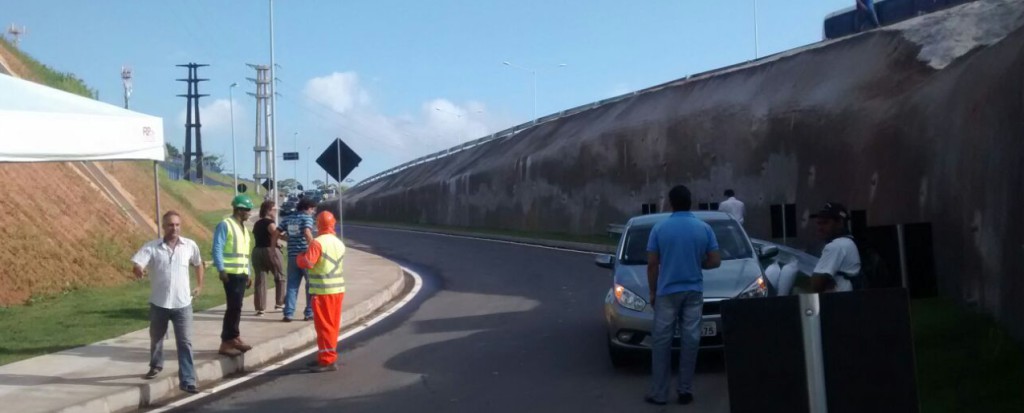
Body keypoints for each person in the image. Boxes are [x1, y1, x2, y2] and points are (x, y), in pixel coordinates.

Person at [645, 185, 721, 406]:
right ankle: (685, 391)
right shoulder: (703, 228)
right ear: (691, 202)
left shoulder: (659, 229)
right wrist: (699, 263)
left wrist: (652, 291)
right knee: (691, 340)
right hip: (693, 291)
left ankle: (659, 393)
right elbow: (715, 260)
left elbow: (652, 264)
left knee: (661, 342)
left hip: (667, 292)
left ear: (671, 202)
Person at [130, 211, 204, 394]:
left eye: (177, 225)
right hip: (159, 303)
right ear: (163, 227)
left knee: (185, 342)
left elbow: (198, 263)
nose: (174, 228)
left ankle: (188, 380)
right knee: (156, 338)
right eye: (170, 225)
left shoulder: (189, 246)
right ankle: (156, 365)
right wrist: (138, 269)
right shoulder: (153, 247)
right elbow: (138, 263)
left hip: (183, 304)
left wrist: (200, 285)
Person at [296, 211, 347, 373]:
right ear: (333, 225)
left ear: (318, 225)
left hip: (323, 291)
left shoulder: (317, 243)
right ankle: (325, 356)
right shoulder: (339, 243)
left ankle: (327, 360)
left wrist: (299, 257)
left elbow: (308, 263)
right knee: (331, 325)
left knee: (324, 327)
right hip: (337, 290)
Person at [212, 195, 255, 356]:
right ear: (239, 209)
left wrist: (249, 272)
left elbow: (245, 253)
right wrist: (221, 270)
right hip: (230, 274)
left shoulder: (243, 228)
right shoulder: (226, 225)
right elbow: (217, 247)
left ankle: (233, 337)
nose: (249, 213)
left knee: (237, 307)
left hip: (241, 273)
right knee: (233, 307)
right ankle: (228, 340)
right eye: (247, 210)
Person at [808, 202, 862, 293]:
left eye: (825, 223)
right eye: (819, 223)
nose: (820, 228)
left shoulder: (836, 246)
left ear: (840, 222)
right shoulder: (848, 241)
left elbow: (816, 285)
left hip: (840, 302)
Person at [283, 198, 317, 322]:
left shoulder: (288, 219)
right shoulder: (307, 218)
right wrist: (314, 246)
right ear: (307, 208)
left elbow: (276, 232)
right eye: (312, 209)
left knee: (292, 285)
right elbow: (307, 232)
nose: (313, 212)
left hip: (292, 256)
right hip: (305, 256)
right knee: (311, 285)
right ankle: (309, 312)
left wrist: (274, 245)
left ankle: (288, 313)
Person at [252, 200, 286, 315]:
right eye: (275, 209)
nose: (276, 212)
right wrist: (290, 238)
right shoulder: (270, 223)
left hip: (257, 251)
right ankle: (280, 303)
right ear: (269, 210)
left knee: (260, 280)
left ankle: (260, 307)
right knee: (280, 276)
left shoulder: (257, 223)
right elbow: (276, 235)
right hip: (270, 251)